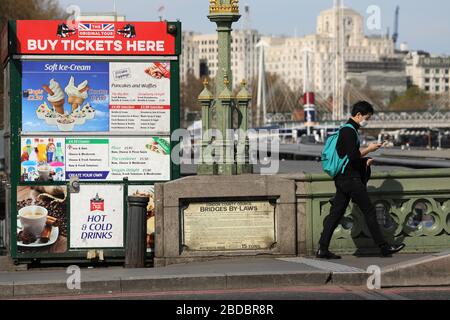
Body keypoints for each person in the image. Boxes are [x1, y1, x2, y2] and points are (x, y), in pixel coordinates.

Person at [316, 101, 405, 259]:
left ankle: (322, 249)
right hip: (350, 179)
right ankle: (384, 247)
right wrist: (368, 152)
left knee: (335, 214)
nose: (367, 121)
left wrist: (365, 159)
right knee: (369, 211)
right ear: (358, 115)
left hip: (342, 179)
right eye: (367, 117)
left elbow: (348, 156)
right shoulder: (349, 131)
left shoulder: (345, 130)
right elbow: (352, 156)